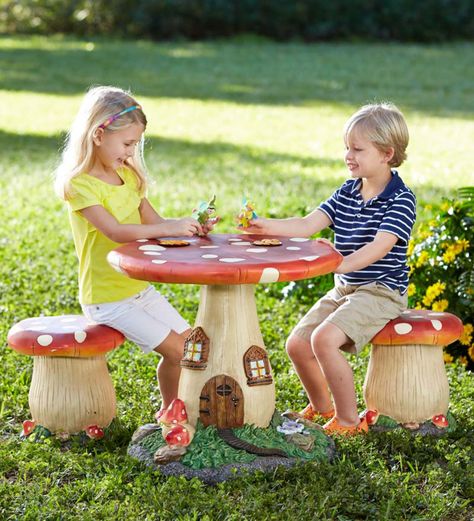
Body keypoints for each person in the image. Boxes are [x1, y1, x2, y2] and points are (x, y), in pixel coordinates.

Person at [245, 103, 416, 435]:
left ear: (386, 153)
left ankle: (350, 421)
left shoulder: (400, 199)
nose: (348, 155)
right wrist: (262, 225)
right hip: (346, 288)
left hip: (382, 291)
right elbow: (308, 224)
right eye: (346, 147)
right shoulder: (347, 191)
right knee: (297, 343)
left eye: (357, 149)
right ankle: (323, 409)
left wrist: (338, 263)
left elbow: (379, 247)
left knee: (323, 340)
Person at [54, 86, 214, 419]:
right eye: (127, 143)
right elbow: (116, 232)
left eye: (135, 144)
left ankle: (175, 410)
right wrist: (167, 228)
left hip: (138, 290)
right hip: (107, 298)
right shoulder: (80, 185)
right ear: (99, 135)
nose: (131, 152)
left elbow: (155, 225)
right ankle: (171, 413)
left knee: (193, 349)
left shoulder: (127, 176)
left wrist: (190, 227)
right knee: (180, 352)